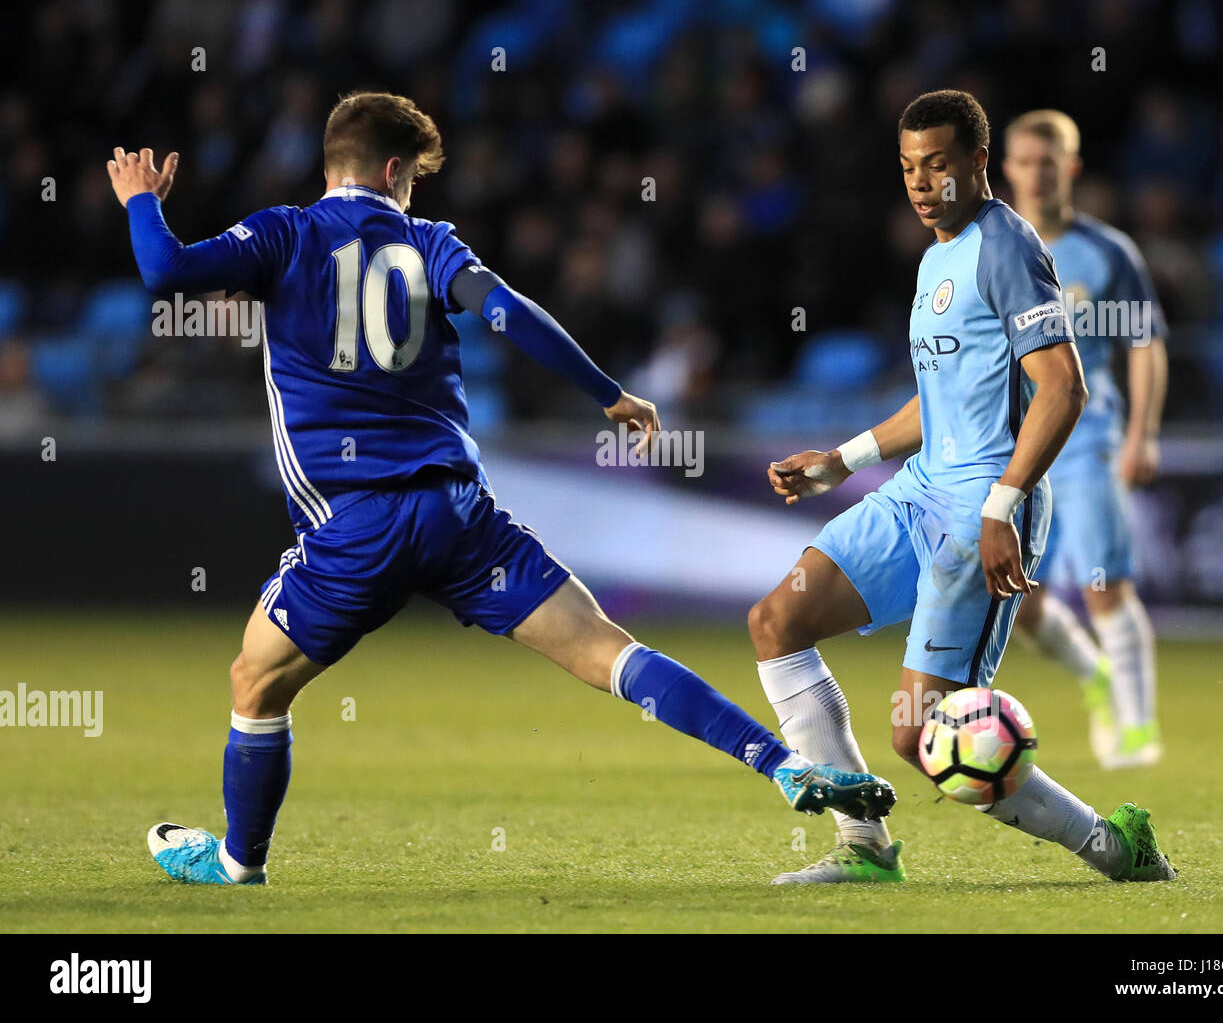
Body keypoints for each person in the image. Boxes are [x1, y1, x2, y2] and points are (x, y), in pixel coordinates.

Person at [105, 91, 895, 886]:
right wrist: (607, 392)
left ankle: (240, 862)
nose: (415, 191)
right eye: (413, 174)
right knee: (607, 649)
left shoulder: (285, 232)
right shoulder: (429, 242)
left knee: (255, 680)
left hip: (356, 525)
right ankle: (781, 764)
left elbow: (165, 268)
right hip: (457, 512)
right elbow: (509, 312)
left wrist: (142, 203)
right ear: (391, 169)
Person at [747, 90, 1175, 885]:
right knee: (778, 620)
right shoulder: (935, 253)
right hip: (916, 494)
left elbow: (1063, 387)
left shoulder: (1005, 245)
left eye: (937, 164)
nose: (920, 182)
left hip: (980, 506)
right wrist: (842, 460)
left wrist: (1002, 504)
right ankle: (864, 847)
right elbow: (938, 398)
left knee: (927, 736)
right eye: (909, 167)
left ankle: (1116, 845)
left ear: (979, 162)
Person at [1002, 109, 1167, 767]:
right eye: (1024, 161)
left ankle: (1136, 725)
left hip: (1088, 436)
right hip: (1011, 441)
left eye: (1049, 161)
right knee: (1005, 590)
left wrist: (1143, 432)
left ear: (1070, 167)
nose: (1036, 174)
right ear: (1005, 169)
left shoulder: (1107, 253)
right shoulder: (990, 249)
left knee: (1104, 582)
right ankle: (1093, 675)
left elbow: (1145, 341)